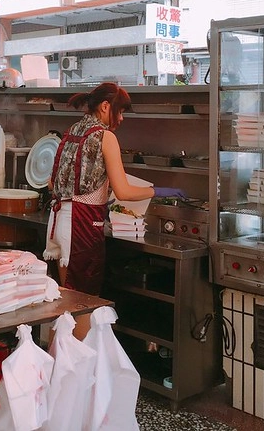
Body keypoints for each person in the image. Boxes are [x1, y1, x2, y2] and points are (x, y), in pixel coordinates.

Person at [44, 82, 185, 334]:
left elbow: (52, 182)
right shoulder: (104, 136)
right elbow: (125, 191)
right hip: (81, 227)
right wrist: (159, 191)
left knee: (66, 304)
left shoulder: (72, 130)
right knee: (82, 304)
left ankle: (61, 367)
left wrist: (99, 192)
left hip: (58, 223)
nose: (120, 118)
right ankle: (79, 370)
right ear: (105, 106)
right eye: (119, 112)